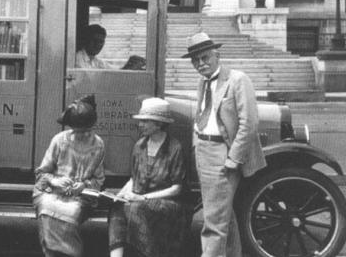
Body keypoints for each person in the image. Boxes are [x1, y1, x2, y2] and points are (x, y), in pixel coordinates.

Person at [182, 32, 266, 257]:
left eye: (205, 57)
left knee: (213, 224)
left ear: (217, 55)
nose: (200, 64)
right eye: (195, 60)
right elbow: (201, 116)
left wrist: (233, 158)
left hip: (223, 155)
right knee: (223, 217)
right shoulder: (203, 82)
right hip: (204, 152)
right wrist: (196, 146)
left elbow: (249, 123)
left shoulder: (237, 80)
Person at [108, 97, 187, 257]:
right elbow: (133, 178)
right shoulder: (140, 145)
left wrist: (143, 198)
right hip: (140, 197)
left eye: (145, 121)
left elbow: (177, 188)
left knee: (136, 208)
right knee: (117, 208)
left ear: (159, 124)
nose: (140, 125)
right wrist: (120, 195)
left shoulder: (174, 148)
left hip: (167, 202)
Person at [33, 94, 106, 257]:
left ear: (92, 127)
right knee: (46, 208)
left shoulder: (98, 144)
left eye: (86, 131)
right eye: (78, 132)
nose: (82, 135)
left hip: (80, 196)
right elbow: (41, 173)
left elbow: (99, 179)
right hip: (52, 191)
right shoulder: (59, 140)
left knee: (70, 212)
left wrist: (84, 185)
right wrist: (55, 181)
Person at [76, 24, 146, 70]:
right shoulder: (77, 59)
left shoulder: (96, 61)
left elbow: (116, 71)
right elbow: (91, 82)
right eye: (95, 40)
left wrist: (131, 64)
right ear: (86, 40)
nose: (98, 45)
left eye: (101, 42)